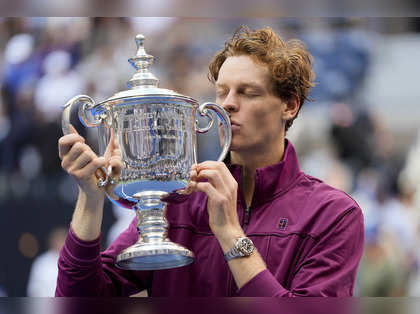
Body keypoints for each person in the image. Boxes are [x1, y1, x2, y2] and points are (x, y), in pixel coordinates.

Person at [56, 26, 364, 297]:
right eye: (222, 92)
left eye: (248, 92)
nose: (228, 103)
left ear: (290, 105)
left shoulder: (333, 215)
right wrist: (90, 199)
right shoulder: (179, 204)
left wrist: (230, 233)